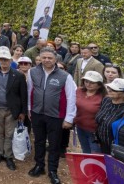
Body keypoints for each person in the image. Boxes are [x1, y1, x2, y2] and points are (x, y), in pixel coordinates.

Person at [27, 48, 76, 184]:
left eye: (50, 58)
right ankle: (39, 165)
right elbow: (30, 91)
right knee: (39, 141)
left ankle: (53, 170)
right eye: (44, 58)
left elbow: (71, 97)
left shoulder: (65, 76)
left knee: (54, 144)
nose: (47, 60)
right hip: (37, 113)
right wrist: (30, 109)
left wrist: (69, 118)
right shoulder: (33, 72)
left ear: (55, 59)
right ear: (40, 58)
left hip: (56, 116)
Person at [0, 47, 27, 171]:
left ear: (10, 61)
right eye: (2, 60)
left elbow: (23, 95)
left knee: (9, 134)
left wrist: (23, 112)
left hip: (12, 109)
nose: (4, 62)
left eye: (6, 60)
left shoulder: (18, 75)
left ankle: (8, 156)